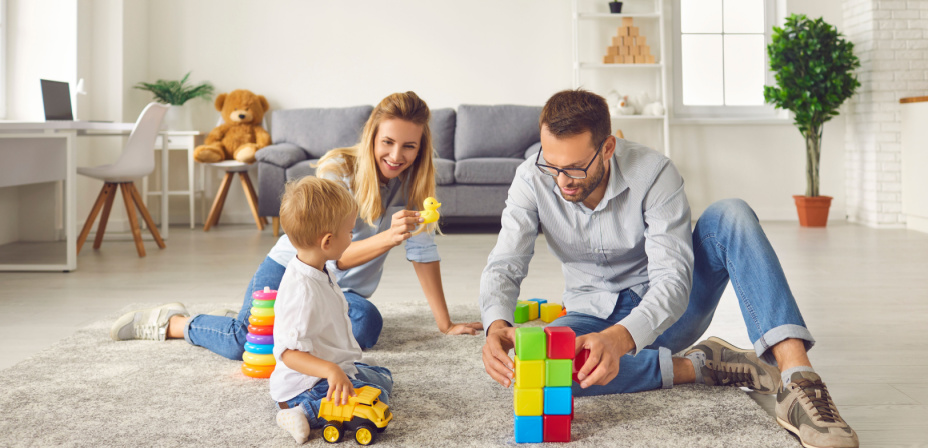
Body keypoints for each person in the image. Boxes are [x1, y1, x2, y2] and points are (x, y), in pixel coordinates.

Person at [479, 89, 858, 448]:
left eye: (575, 169)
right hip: (590, 314)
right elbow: (505, 262)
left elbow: (674, 280)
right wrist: (496, 324)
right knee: (547, 373)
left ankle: (798, 379)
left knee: (732, 214)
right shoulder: (531, 178)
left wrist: (622, 339)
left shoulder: (654, 172)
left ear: (607, 148)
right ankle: (698, 366)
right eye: (552, 165)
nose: (561, 181)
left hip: (670, 313)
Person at [111, 91, 482, 356]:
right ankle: (174, 322)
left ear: (421, 147)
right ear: (372, 135)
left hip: (337, 292)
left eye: (409, 147)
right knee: (248, 344)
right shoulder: (338, 170)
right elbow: (331, 255)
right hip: (290, 271)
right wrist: (387, 238)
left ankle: (264, 319)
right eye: (388, 142)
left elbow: (422, 252)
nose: (396, 156)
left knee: (366, 326)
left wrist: (445, 323)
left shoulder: (413, 184)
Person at [269, 175, 393, 444]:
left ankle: (346, 372)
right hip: (304, 385)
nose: (352, 236)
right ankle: (299, 412)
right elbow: (288, 353)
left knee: (384, 379)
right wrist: (330, 371)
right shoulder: (301, 291)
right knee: (377, 396)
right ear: (327, 242)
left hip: (327, 368)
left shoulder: (319, 267)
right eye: (350, 231)